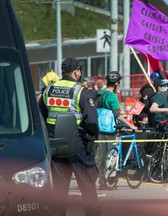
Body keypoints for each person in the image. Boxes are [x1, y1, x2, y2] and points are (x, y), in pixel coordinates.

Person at [38, 57, 101, 216]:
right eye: (79, 70)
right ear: (76, 72)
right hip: (78, 144)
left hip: (56, 145)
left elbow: (40, 116)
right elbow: (92, 121)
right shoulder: (81, 91)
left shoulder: (48, 90)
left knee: (59, 190)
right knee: (87, 188)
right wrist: (92, 136)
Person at [97, 71, 138, 190]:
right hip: (111, 129)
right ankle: (111, 181)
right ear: (116, 83)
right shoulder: (112, 96)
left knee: (102, 156)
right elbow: (118, 115)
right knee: (112, 155)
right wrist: (131, 126)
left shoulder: (101, 93)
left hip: (100, 128)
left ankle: (101, 182)